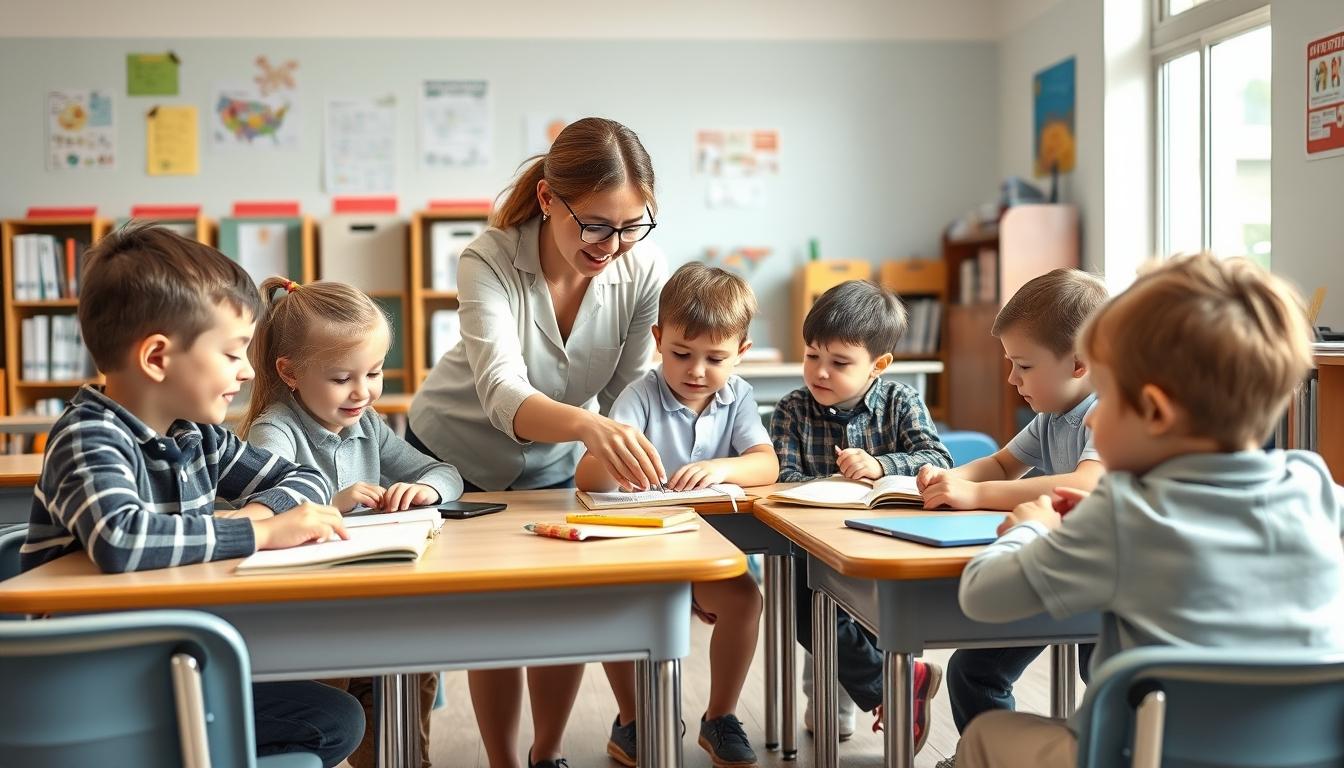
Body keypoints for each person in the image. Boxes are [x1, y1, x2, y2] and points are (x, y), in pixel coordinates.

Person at [954, 254, 1344, 768]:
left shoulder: (1121, 512)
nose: (1090, 424)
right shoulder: (1317, 487)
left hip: (1142, 755)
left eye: (1105, 400)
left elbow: (981, 597)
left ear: (1155, 411)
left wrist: (1032, 528)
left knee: (986, 735)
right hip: (1301, 755)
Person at [19, 224, 363, 768]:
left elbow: (304, 478)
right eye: (231, 354)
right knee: (324, 717)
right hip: (91, 689)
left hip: (166, 666)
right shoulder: (88, 436)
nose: (249, 371)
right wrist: (261, 531)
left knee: (337, 716)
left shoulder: (195, 436)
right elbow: (121, 538)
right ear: (157, 358)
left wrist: (256, 510)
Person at [406, 117, 665, 768]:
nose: (613, 244)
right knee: (494, 615)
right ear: (549, 200)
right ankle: (502, 761)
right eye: (596, 224)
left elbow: (628, 396)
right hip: (454, 457)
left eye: (631, 225)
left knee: (560, 610)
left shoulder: (643, 268)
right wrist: (585, 427)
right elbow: (499, 391)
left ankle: (547, 753)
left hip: (552, 462)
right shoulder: (488, 259)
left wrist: (615, 454)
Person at [241, 277, 464, 768]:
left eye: (375, 372)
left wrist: (426, 489)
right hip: (308, 614)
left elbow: (445, 473)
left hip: (373, 599)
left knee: (409, 670)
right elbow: (269, 502)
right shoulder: (274, 428)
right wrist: (332, 502)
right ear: (290, 373)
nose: (363, 392)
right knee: (333, 702)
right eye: (343, 378)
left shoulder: (366, 426)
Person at [576, 262, 776, 768]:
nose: (696, 371)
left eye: (716, 358)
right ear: (658, 340)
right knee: (613, 607)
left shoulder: (739, 397)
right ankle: (632, 720)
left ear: (741, 354)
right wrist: (613, 460)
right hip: (640, 548)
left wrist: (718, 467)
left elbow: (765, 464)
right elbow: (588, 481)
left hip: (704, 549)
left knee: (744, 602)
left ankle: (721, 716)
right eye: (681, 354)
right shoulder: (640, 395)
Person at [916, 269, 1107, 743]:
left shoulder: (1109, 412)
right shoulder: (1050, 417)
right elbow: (1002, 465)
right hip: (1050, 570)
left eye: (1023, 365)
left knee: (1101, 681)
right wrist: (948, 477)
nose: (1011, 378)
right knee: (971, 671)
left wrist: (975, 495)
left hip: (1102, 584)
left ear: (1079, 364)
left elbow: (1087, 482)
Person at [770, 280, 953, 753]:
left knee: (870, 618)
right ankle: (889, 687)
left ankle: (883, 689)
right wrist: (824, 486)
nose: (821, 373)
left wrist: (880, 466)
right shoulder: (791, 409)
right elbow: (784, 477)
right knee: (808, 613)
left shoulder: (900, 401)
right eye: (813, 356)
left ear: (878, 366)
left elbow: (938, 459)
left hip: (883, 543)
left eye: (840, 362)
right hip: (811, 546)